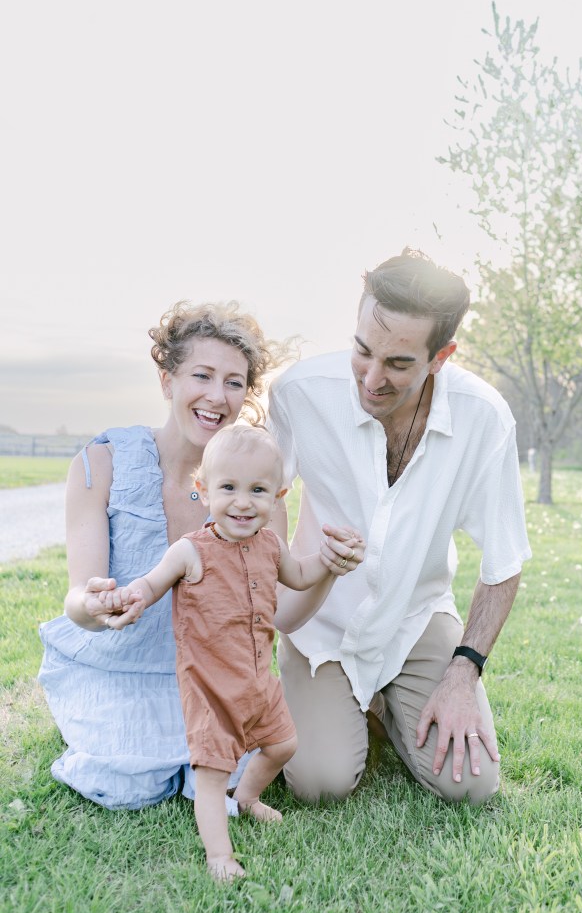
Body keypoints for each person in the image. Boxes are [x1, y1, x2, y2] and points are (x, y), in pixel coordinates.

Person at [38, 300, 354, 811]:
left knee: (238, 775)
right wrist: (91, 603)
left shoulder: (254, 491)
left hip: (217, 678)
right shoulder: (103, 463)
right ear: (167, 380)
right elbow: (81, 601)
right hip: (123, 668)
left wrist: (328, 570)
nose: (217, 396)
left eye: (234, 382)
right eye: (201, 375)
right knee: (128, 785)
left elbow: (281, 612)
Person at [267, 248, 532, 805]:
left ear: (442, 356)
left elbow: (504, 563)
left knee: (471, 786)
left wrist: (464, 674)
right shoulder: (298, 394)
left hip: (417, 617)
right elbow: (251, 499)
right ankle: (349, 704)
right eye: (363, 350)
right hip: (322, 625)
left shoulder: (484, 419)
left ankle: (383, 701)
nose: (371, 377)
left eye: (399, 363)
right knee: (320, 784)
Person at [95, 423, 364, 880]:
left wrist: (329, 559)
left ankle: (249, 797)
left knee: (284, 745)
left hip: (259, 680)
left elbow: (298, 575)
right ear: (203, 490)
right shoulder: (190, 550)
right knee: (211, 774)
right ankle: (219, 853)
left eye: (257, 490)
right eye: (229, 487)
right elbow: (151, 582)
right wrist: (133, 596)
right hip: (211, 688)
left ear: (277, 496)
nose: (243, 501)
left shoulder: (269, 544)